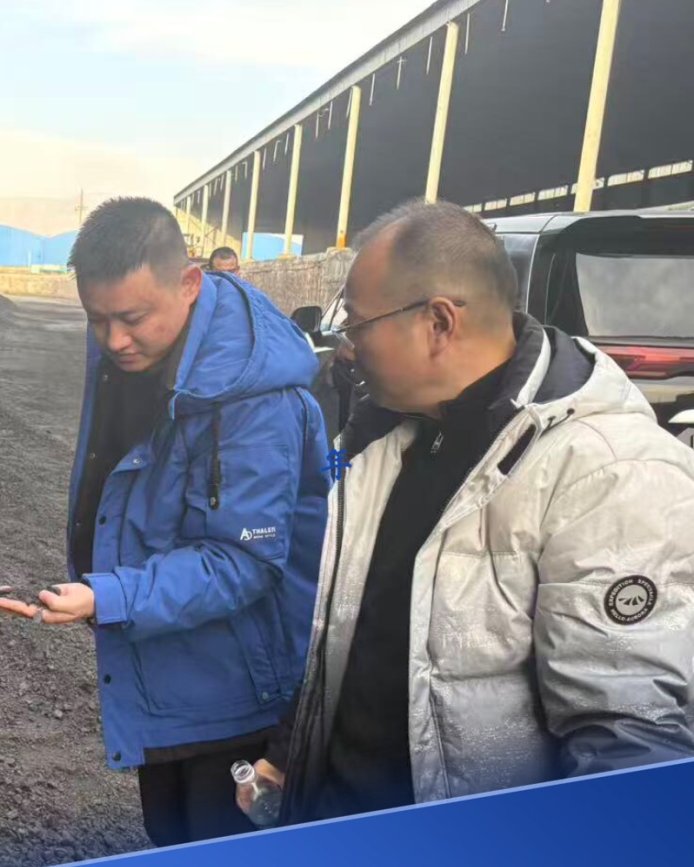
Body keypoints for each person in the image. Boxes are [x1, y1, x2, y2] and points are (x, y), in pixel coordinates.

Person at [242, 198, 694, 826]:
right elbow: (348, 628)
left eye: (359, 324)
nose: (347, 346)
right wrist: (289, 752)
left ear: (438, 322)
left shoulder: (610, 471)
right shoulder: (380, 438)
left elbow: (629, 733)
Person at [0, 197, 330, 847]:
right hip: (164, 668)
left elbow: (245, 561)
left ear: (190, 282)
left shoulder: (254, 398)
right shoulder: (133, 355)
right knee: (168, 841)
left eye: (132, 319)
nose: (114, 340)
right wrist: (88, 590)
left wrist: (108, 595)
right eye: (97, 319)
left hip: (238, 702)